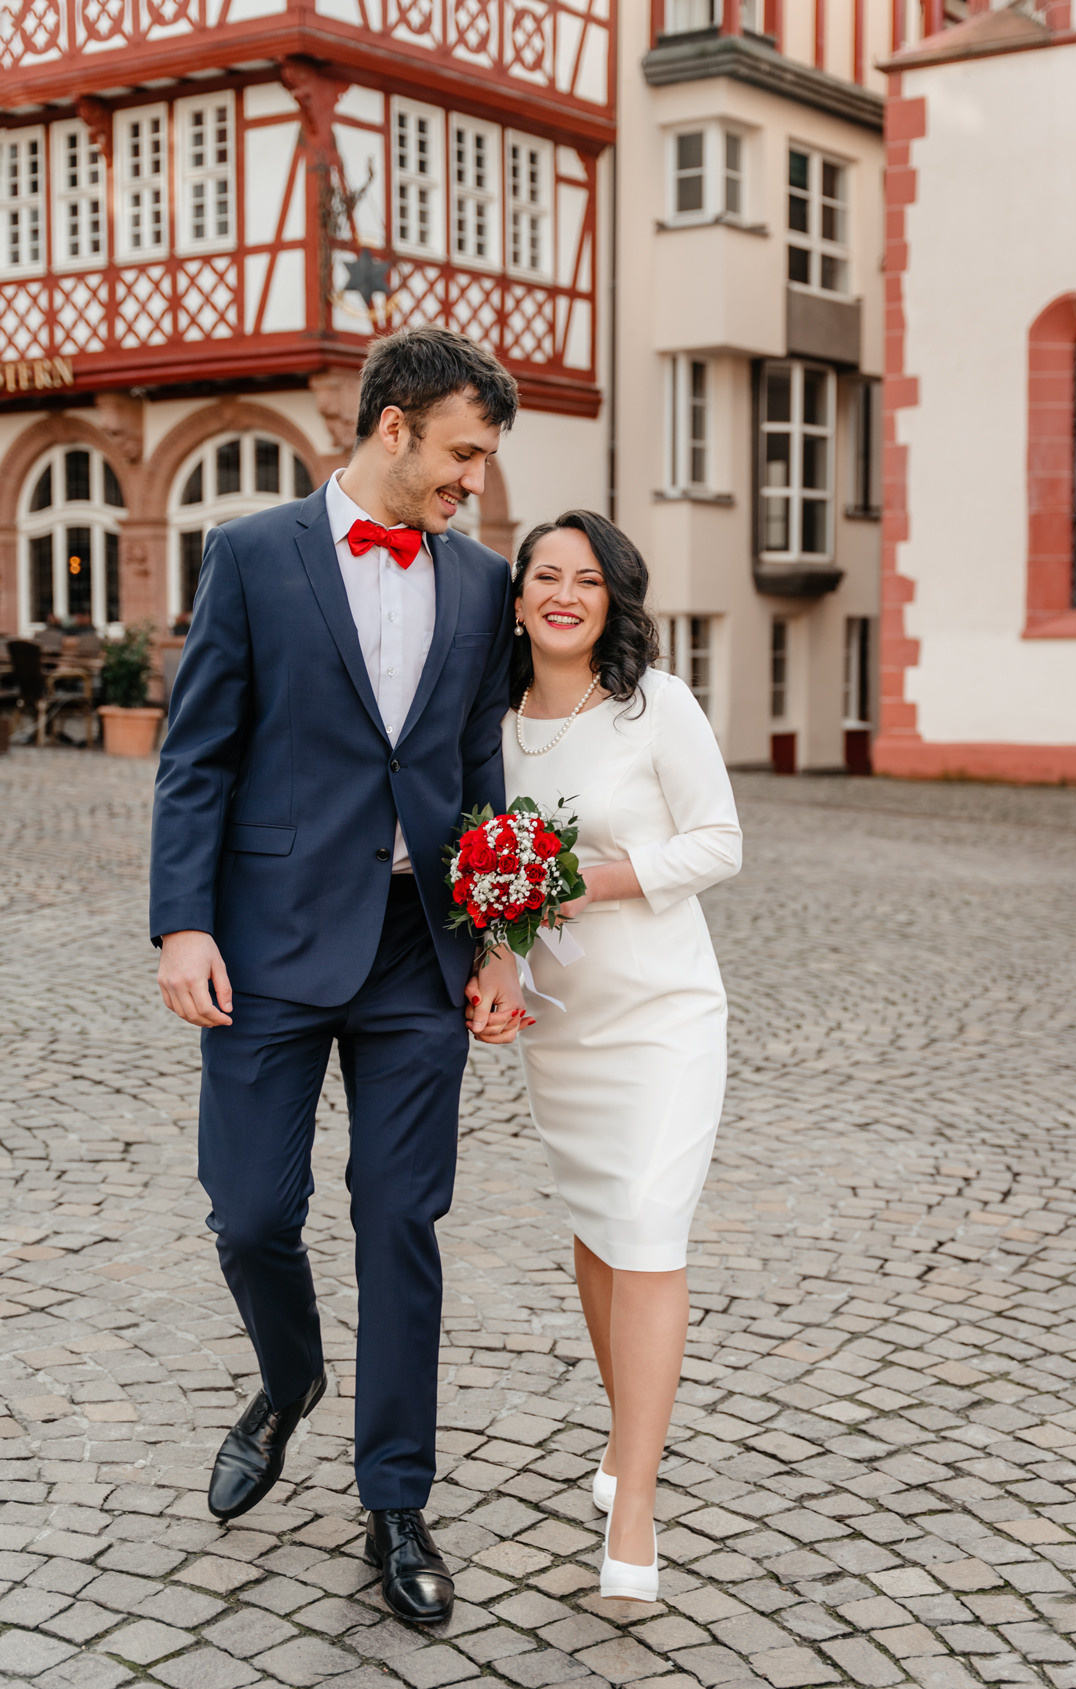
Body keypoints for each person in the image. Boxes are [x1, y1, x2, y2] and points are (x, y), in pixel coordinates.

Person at [150, 327, 528, 1626]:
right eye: (464, 452)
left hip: (416, 953)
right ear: (393, 427)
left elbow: (484, 778)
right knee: (249, 1210)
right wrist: (180, 924)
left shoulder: (480, 587)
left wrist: (499, 945)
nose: (472, 481)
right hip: (261, 945)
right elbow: (196, 756)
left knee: (397, 1220)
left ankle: (395, 1498)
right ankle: (287, 1376)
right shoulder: (252, 556)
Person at [501, 511, 742, 1602]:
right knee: (600, 1230)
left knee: (645, 1226)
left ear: (611, 601)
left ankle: (634, 1493)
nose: (563, 593)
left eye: (585, 579)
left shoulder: (657, 706)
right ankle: (620, 1434)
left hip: (661, 1015)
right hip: (565, 1024)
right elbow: (484, 881)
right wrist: (499, 962)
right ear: (516, 601)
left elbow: (718, 843)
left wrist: (583, 879)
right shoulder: (493, 726)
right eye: (543, 575)